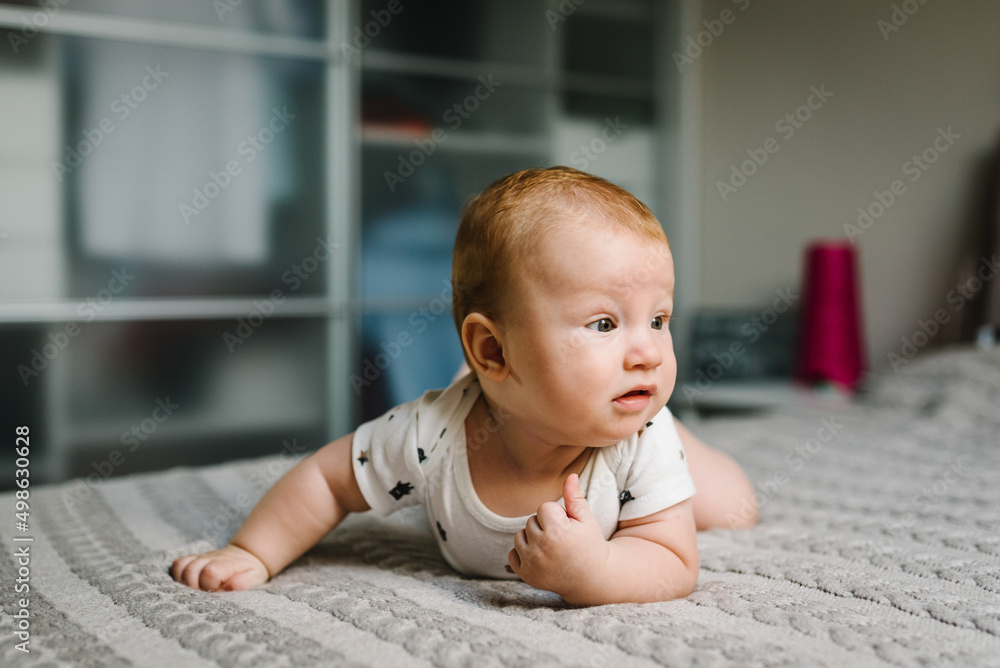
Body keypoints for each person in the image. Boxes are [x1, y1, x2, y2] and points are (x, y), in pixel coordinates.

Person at [172, 167, 758, 605]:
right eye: (604, 323)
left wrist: (593, 569)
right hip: (492, 397)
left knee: (733, 508)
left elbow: (674, 563)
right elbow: (327, 481)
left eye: (660, 319)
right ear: (493, 350)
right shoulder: (433, 435)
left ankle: (692, 444)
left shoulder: (641, 438)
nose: (649, 352)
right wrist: (252, 551)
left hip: (625, 421)